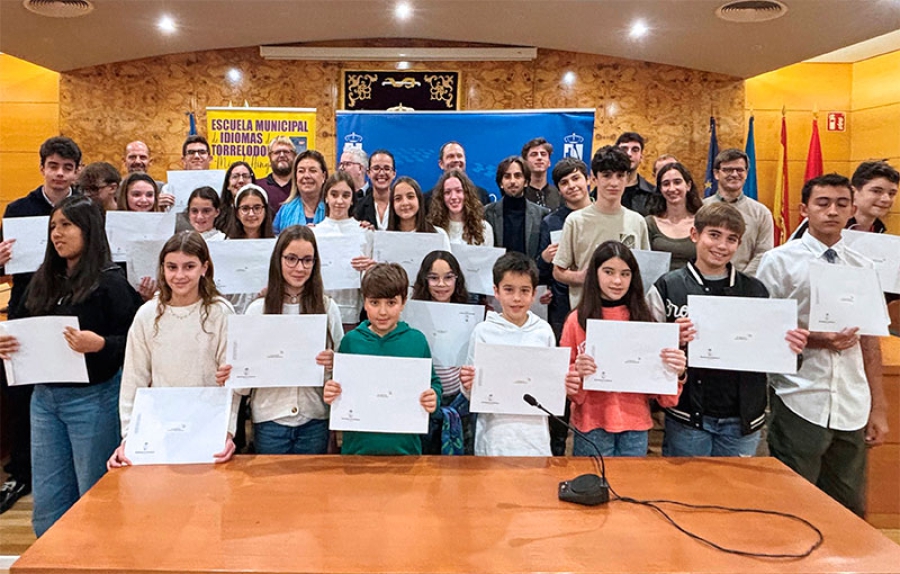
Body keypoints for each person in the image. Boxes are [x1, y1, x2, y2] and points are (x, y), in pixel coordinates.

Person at [0, 196, 142, 536]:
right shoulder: (42, 279)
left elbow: (136, 341)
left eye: (66, 225)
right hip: (45, 399)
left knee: (94, 497)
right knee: (48, 501)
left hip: (93, 400)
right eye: (53, 226)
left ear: (88, 230)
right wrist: (5, 342)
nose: (57, 234)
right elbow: (17, 323)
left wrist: (101, 344)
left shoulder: (111, 282)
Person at [756, 173, 888, 517]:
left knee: (848, 507)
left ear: (853, 208)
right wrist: (818, 338)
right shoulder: (779, 261)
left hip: (851, 399)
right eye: (823, 203)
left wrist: (879, 406)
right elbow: (763, 327)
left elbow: (871, 340)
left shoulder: (864, 266)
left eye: (841, 204)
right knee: (795, 504)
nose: (832, 211)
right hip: (799, 394)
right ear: (805, 209)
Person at [647, 202, 808, 457]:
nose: (722, 246)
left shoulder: (755, 291)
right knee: (683, 492)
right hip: (688, 416)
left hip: (741, 420)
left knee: (736, 493)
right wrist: (671, 338)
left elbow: (779, 356)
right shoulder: (667, 287)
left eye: (731, 239)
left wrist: (791, 347)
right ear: (694, 235)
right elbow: (647, 353)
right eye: (714, 235)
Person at [0, 136, 82, 515]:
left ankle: (67, 471)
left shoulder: (84, 209)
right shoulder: (18, 209)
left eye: (67, 167)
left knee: (66, 389)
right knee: (20, 392)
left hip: (68, 308)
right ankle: (20, 472)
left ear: (76, 171)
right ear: (42, 168)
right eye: (54, 166)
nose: (60, 174)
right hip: (26, 310)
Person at [108, 231, 238, 468]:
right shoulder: (147, 314)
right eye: (172, 267)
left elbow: (230, 381)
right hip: (160, 425)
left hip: (208, 425)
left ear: (204, 268)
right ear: (163, 269)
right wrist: (129, 436)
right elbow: (133, 380)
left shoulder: (221, 313)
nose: (179, 275)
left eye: (189, 266)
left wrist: (227, 431)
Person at [220, 226, 344, 454]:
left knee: (311, 486)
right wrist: (235, 373)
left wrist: (335, 362)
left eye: (307, 260)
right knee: (271, 487)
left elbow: (343, 370)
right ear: (278, 260)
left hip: (314, 419)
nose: (300, 267)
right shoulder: (258, 309)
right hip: (269, 419)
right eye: (291, 259)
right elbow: (243, 384)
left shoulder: (328, 308)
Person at [562, 241, 686, 456]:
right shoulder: (576, 320)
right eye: (608, 272)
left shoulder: (645, 320)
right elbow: (563, 378)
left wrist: (676, 371)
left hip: (635, 425)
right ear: (595, 273)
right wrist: (576, 372)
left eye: (625, 274)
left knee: (630, 487)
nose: (617, 281)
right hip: (592, 424)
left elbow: (665, 395)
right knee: (592, 487)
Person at [323, 263, 441, 455]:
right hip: (357, 451)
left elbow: (433, 384)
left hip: (406, 451)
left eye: (391, 303)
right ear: (364, 302)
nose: (383, 312)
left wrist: (433, 397)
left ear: (403, 302)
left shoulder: (417, 341)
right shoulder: (351, 342)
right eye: (375, 303)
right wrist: (331, 391)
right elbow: (338, 387)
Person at [459, 252, 559, 456]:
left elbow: (551, 387)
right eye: (508, 290)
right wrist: (468, 384)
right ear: (496, 291)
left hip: (535, 439)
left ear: (533, 294)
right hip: (494, 438)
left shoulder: (543, 331)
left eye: (524, 291)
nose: (516, 298)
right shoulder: (483, 331)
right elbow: (470, 393)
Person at [536, 157, 593, 456]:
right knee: (562, 381)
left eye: (576, 179)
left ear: (588, 179)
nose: (572, 186)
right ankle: (557, 444)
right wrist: (545, 261)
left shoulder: (603, 214)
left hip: (601, 313)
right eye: (564, 183)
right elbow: (540, 274)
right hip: (562, 313)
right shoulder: (550, 222)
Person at [553, 145, 650, 308]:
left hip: (625, 311)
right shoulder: (576, 220)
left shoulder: (638, 222)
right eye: (606, 176)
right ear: (594, 178)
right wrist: (584, 277)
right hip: (586, 310)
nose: (614, 183)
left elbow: (645, 271)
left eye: (620, 176)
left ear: (627, 179)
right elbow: (558, 271)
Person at [411, 250, 474, 454]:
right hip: (426, 398)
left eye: (448, 277)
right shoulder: (412, 314)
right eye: (433, 278)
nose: (441, 284)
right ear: (424, 279)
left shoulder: (470, 314)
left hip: (459, 400)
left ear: (457, 279)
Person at [314, 172, 376, 329]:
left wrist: (370, 268)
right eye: (334, 194)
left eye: (345, 195)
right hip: (318, 311)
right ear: (326, 198)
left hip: (352, 314)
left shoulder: (365, 232)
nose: (339, 201)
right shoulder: (314, 233)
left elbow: (373, 278)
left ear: (352, 199)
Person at [703, 148, 773, 276]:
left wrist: (740, 283)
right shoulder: (700, 209)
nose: (734, 174)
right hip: (703, 283)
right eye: (728, 170)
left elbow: (763, 253)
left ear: (746, 174)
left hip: (744, 287)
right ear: (716, 174)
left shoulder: (761, 213)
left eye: (740, 170)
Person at [791, 160, 899, 238]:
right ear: (853, 192)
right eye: (876, 191)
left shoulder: (880, 229)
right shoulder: (823, 223)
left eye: (892, 193)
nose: (886, 199)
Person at [484, 156, 549, 258]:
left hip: (530, 272)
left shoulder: (542, 214)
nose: (512, 181)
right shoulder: (486, 213)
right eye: (507, 176)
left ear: (526, 182)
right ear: (501, 183)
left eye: (518, 176)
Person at [645, 162, 702, 271]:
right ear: (660, 189)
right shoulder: (649, 224)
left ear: (688, 185)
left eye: (677, 182)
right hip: (659, 286)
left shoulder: (702, 222)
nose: (672, 189)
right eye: (666, 184)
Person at [429, 169, 493, 246]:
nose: (453, 197)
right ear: (441, 197)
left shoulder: (485, 229)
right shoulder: (432, 229)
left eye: (458, 191)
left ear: (467, 194)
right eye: (447, 192)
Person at [387, 176, 451, 248]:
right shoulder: (384, 239)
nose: (405, 203)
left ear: (419, 200)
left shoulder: (439, 234)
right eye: (398, 198)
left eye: (410, 196)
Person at [274, 150, 328, 233]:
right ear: (295, 177)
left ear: (323, 176)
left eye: (313, 171)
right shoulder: (285, 211)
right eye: (301, 171)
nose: (306, 176)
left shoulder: (333, 208)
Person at [424, 142, 492, 206]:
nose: (456, 160)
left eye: (459, 156)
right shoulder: (427, 199)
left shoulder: (481, 194)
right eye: (451, 156)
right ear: (441, 164)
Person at [615, 132, 656, 216]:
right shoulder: (602, 190)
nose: (629, 154)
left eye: (635, 150)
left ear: (641, 157)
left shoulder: (652, 194)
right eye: (624, 149)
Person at [353, 149, 395, 230]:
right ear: (368, 173)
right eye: (376, 168)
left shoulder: (402, 206)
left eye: (387, 168)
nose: (382, 173)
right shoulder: (357, 207)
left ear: (394, 174)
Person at [257, 136, 297, 212]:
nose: (282, 155)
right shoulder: (257, 187)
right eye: (277, 152)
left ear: (294, 155)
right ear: (269, 157)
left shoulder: (301, 186)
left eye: (286, 152)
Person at [521, 137, 561, 209]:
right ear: (525, 162)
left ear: (549, 162)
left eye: (543, 154)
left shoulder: (560, 194)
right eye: (534, 154)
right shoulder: (519, 194)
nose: (539, 158)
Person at [218, 161, 256, 232]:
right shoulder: (218, 213)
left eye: (245, 176)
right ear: (228, 185)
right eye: (235, 176)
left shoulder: (265, 210)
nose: (241, 181)